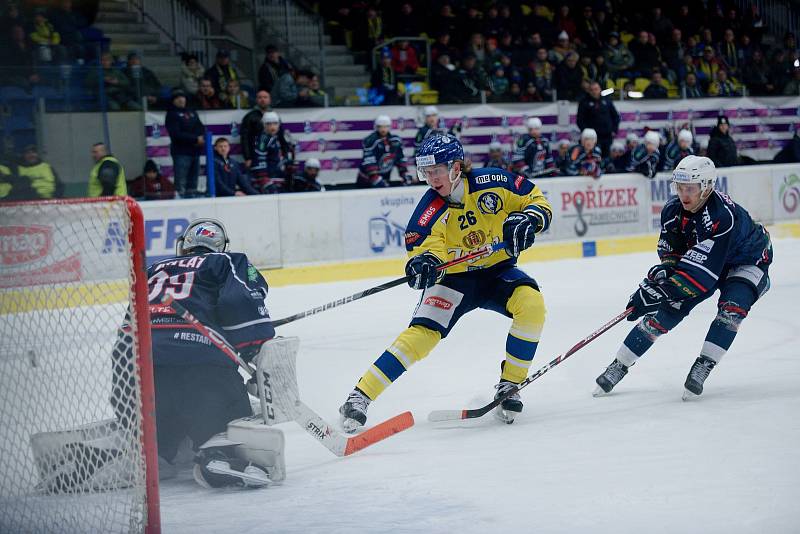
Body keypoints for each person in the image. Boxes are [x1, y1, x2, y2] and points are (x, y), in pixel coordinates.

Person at [338, 135, 553, 431]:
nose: (430, 178)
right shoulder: (428, 211)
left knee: (532, 306)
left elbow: (536, 199)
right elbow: (424, 249)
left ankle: (510, 385)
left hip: (497, 272)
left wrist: (531, 218)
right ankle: (360, 395)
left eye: (436, 170)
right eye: (426, 172)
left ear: (455, 167)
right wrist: (425, 264)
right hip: (454, 280)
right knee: (422, 334)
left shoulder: (494, 182)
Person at [593, 156, 773, 399]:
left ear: (706, 187)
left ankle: (705, 363)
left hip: (748, 260)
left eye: (690, 188)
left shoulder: (722, 216)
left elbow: (702, 277)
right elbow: (672, 248)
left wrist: (662, 291)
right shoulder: (672, 210)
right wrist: (665, 270)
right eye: (680, 187)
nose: (683, 194)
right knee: (666, 310)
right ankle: (619, 364)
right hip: (710, 262)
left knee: (732, 309)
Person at [134, 218, 279, 487]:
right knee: (221, 409)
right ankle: (217, 455)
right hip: (200, 367)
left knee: (161, 427)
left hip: (143, 373)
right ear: (221, 245)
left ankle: (160, 452)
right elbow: (242, 299)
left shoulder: (153, 269)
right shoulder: (225, 262)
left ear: (185, 245)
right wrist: (254, 346)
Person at [165, 89, 205, 198]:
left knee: (193, 183)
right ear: (173, 100)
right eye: (178, 98)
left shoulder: (192, 112)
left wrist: (201, 138)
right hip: (181, 153)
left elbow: (200, 127)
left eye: (183, 97)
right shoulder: (171, 114)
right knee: (181, 183)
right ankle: (180, 200)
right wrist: (195, 139)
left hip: (195, 152)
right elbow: (176, 134)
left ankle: (192, 199)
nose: (181, 99)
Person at [356, 115, 412, 187]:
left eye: (386, 126)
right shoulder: (370, 140)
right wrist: (375, 177)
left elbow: (400, 158)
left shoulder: (396, 141)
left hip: (385, 178)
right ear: (376, 127)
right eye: (380, 127)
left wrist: (404, 173)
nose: (383, 129)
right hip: (366, 180)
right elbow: (369, 161)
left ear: (389, 127)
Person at [250, 112, 292, 194]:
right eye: (269, 124)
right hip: (269, 179)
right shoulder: (263, 139)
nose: (272, 127)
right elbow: (259, 157)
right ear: (264, 125)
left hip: (278, 177)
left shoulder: (277, 138)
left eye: (275, 123)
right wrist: (263, 177)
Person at [576, 81, 619, 157]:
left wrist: (614, 130)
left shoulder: (607, 100)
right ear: (589, 91)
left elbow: (616, 116)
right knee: (593, 158)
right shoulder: (584, 102)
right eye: (592, 90)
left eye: (596, 89)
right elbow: (580, 120)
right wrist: (587, 133)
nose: (594, 92)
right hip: (592, 138)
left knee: (606, 158)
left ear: (600, 89)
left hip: (607, 136)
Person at [240, 90, 272, 169]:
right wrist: (247, 158)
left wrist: (283, 153)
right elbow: (245, 138)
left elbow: (280, 136)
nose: (263, 100)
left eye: (265, 97)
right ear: (256, 100)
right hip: (256, 155)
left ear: (270, 100)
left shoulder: (274, 116)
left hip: (272, 155)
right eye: (260, 97)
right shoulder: (249, 117)